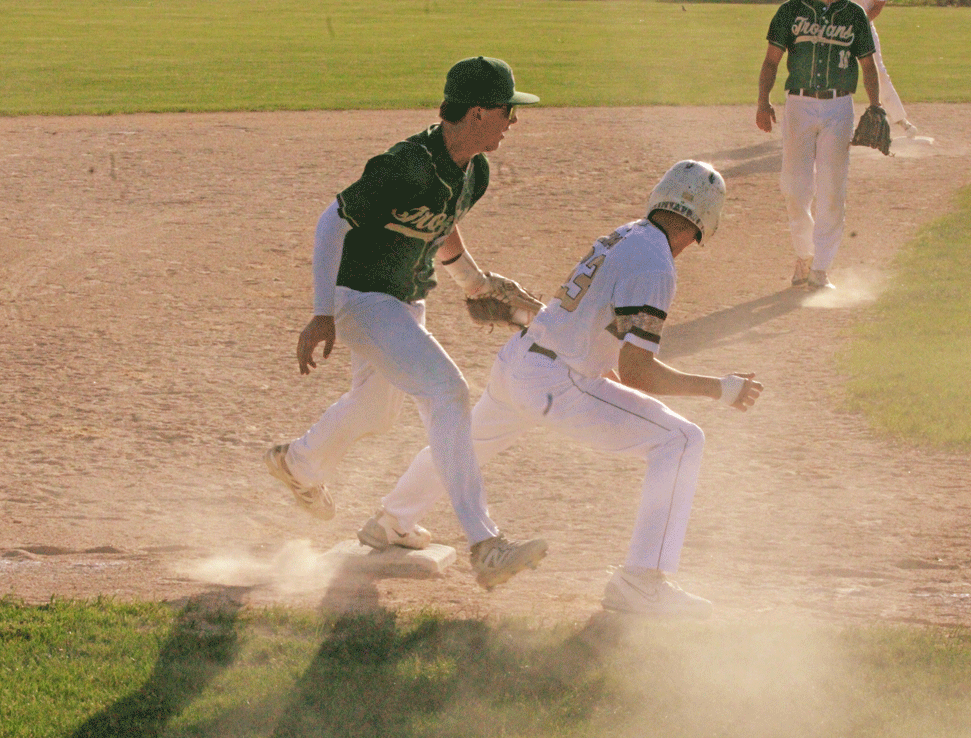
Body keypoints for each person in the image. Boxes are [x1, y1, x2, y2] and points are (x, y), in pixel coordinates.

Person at [370, 161, 764, 615]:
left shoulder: (627, 235)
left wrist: (624, 397)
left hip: (520, 360)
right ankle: (641, 582)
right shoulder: (656, 265)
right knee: (680, 440)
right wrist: (721, 389)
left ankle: (391, 521)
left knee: (467, 443)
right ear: (703, 224)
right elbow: (638, 370)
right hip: (558, 383)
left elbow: (612, 353)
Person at [264, 56, 548, 589]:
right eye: (509, 109)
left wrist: (472, 283)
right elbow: (335, 220)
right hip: (361, 298)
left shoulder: (474, 171)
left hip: (404, 302)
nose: (514, 120)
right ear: (479, 112)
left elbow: (442, 227)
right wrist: (322, 311)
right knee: (447, 393)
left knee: (375, 411)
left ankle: (297, 465)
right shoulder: (405, 163)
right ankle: (484, 543)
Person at [756, 0, 881, 291]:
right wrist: (763, 101)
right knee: (794, 189)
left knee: (832, 188)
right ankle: (805, 255)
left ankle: (821, 267)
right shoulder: (791, 10)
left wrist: (875, 106)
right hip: (799, 105)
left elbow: (868, 65)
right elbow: (771, 60)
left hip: (839, 107)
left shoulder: (854, 14)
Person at [856, 0, 917, 136]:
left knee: (880, 73)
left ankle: (900, 119)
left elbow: (878, 5)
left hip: (865, 27)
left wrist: (859, 24)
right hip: (836, 29)